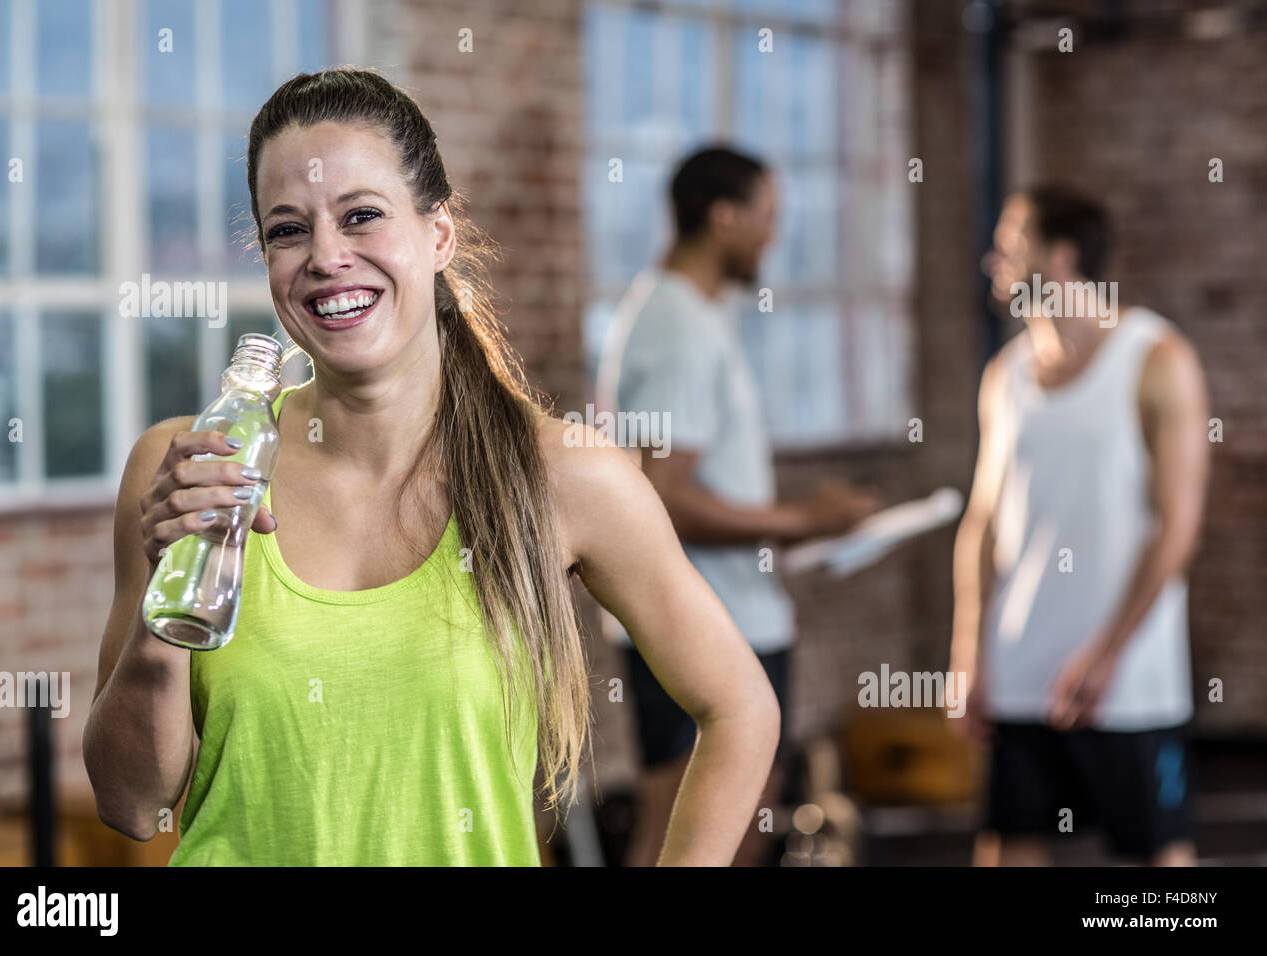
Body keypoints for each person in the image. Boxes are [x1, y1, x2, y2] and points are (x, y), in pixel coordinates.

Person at [83, 69, 782, 867]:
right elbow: (131, 804)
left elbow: (740, 709)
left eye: (363, 216)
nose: (326, 257)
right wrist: (163, 618)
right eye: (288, 230)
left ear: (438, 233)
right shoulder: (188, 468)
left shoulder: (562, 473)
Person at [595, 145, 877, 867]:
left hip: (725, 614)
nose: (774, 235)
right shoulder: (681, 328)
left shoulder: (678, 313)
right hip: (705, 623)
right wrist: (802, 520)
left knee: (729, 830)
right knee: (686, 835)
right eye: (767, 216)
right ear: (724, 218)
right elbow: (664, 495)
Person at [951, 184, 1210, 866]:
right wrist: (969, 652)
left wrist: (1106, 654)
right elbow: (982, 521)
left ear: (1060, 257)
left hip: (1128, 684)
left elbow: (1177, 526)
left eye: (1011, 244)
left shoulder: (1157, 360)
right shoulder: (1005, 375)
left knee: (1158, 874)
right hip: (1019, 670)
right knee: (1009, 850)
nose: (993, 260)